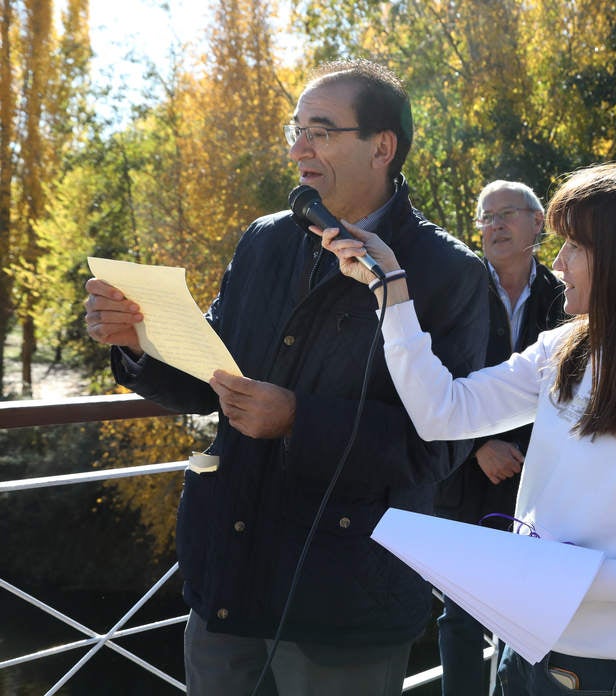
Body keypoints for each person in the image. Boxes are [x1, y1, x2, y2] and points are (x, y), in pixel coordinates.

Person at [83, 59, 489, 696]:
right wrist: (138, 341)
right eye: (294, 129)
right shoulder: (265, 241)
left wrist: (298, 419)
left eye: (320, 131)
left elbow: (440, 446)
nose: (298, 148)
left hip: (347, 601)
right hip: (231, 581)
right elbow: (209, 380)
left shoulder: (448, 273)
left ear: (382, 147)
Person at [317, 161, 616, 696]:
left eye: (574, 246)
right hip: (523, 649)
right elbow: (442, 415)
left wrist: (571, 575)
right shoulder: (564, 348)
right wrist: (392, 291)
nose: (557, 261)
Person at [435, 180, 564, 696]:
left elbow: (578, 389)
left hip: (543, 481)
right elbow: (427, 381)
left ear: (538, 222)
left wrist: (530, 454)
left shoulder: (569, 293)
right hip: (464, 476)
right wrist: (476, 448)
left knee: (532, 613)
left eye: (506, 213)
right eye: (485, 217)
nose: (493, 225)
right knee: (461, 614)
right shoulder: (454, 290)